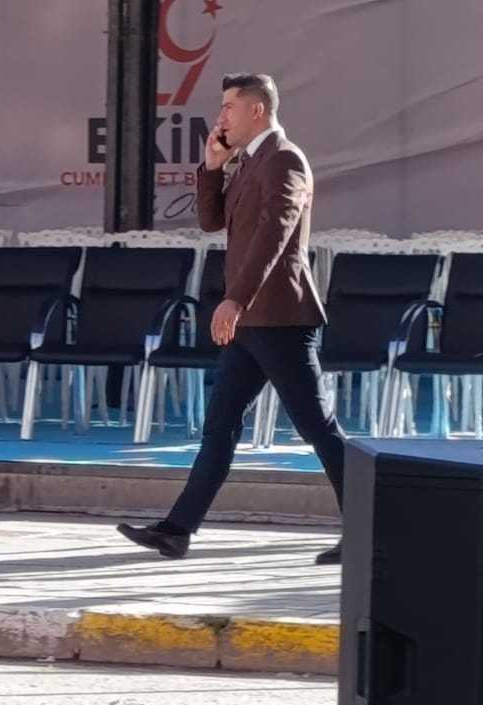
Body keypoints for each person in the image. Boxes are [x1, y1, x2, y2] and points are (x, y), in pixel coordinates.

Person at [117, 73, 345, 567]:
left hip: (279, 318)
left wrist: (235, 299)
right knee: (219, 427)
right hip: (249, 323)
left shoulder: (284, 159)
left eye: (228, 107)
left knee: (318, 428)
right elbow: (211, 221)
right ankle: (177, 530)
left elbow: (275, 234)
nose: (220, 117)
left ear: (256, 110)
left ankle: (378, 525)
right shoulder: (249, 161)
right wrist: (212, 168)